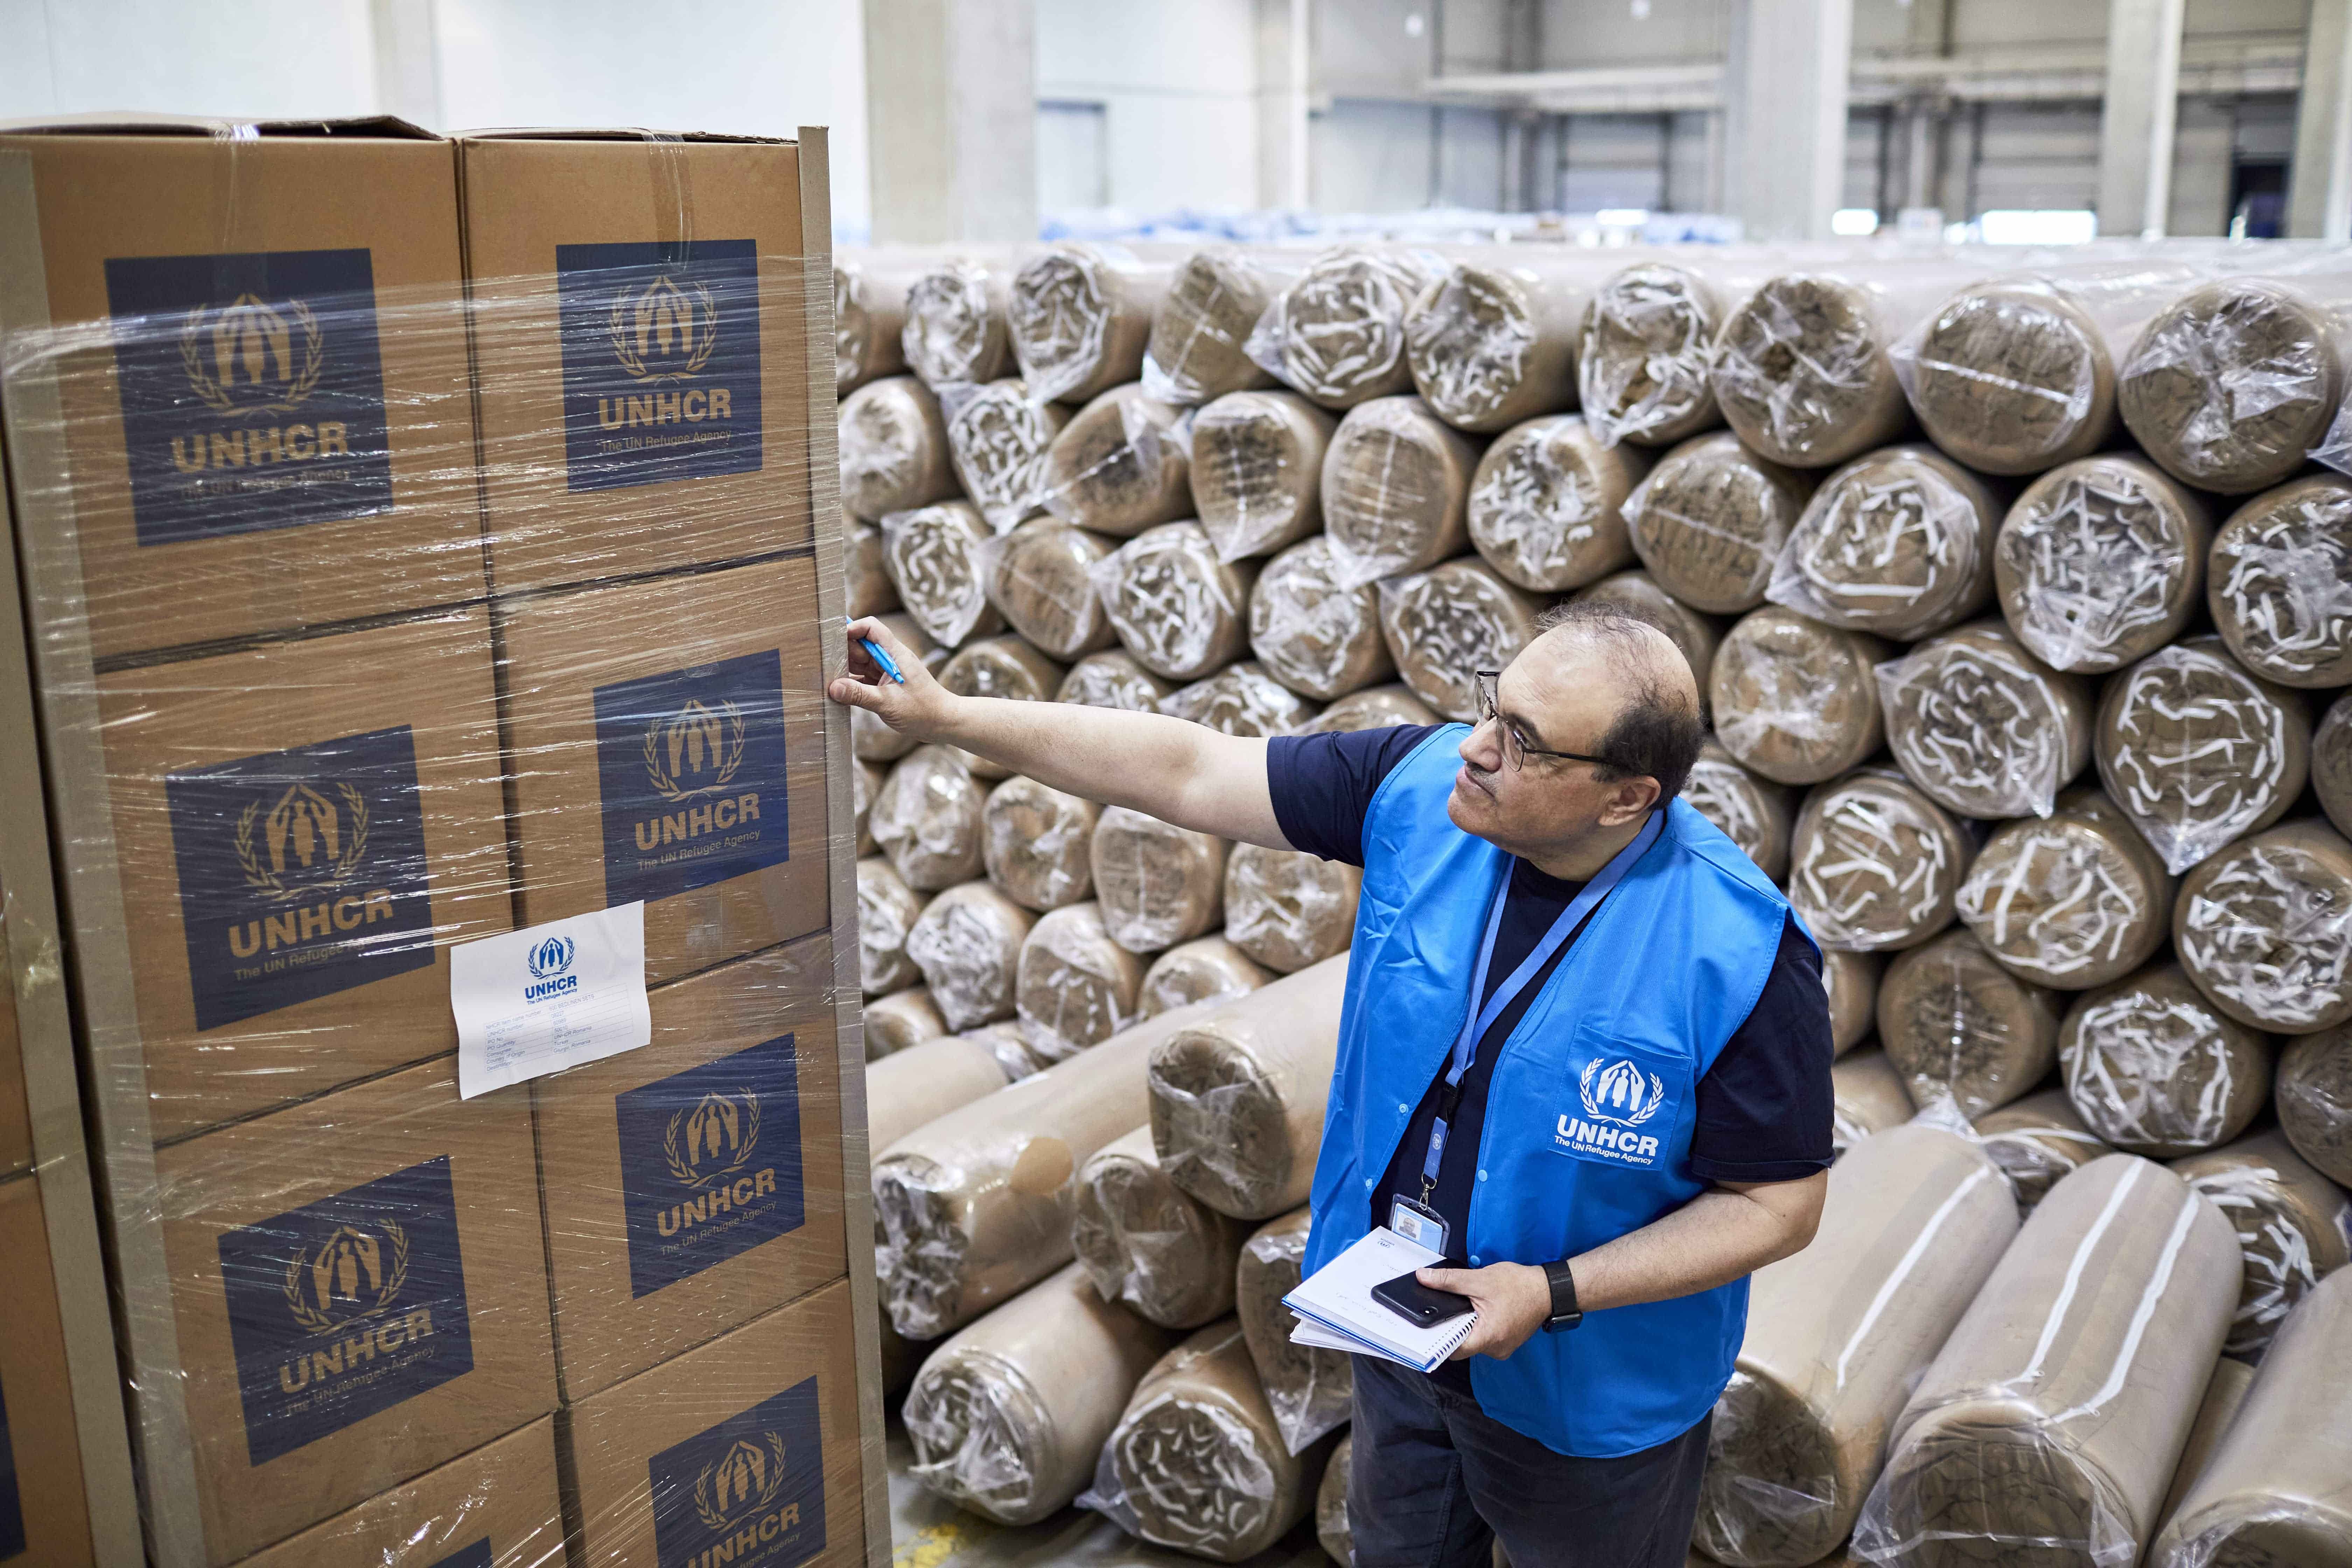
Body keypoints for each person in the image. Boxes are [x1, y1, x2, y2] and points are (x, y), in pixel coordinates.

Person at [830, 598, 1834, 1568]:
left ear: (1626, 798)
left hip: (1589, 1396)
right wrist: (951, 718)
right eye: (1493, 705)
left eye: (1526, 742)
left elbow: (1777, 1207)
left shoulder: (1738, 951)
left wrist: (1550, 1290)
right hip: (1399, 1326)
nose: (1479, 747)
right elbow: (1188, 768)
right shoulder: (1420, 789)